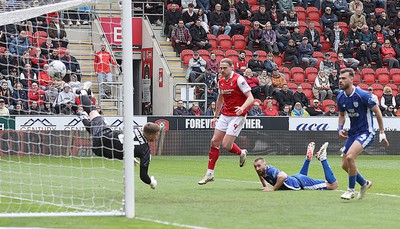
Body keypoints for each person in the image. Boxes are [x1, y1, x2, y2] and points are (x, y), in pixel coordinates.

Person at [77, 82, 160, 189]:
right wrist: (151, 182)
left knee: (95, 115)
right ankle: (82, 93)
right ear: (151, 135)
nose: (157, 137)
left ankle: (83, 106)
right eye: (156, 135)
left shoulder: (134, 128)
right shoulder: (145, 150)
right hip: (100, 150)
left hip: (104, 135)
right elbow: (143, 176)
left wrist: (130, 154)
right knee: (94, 113)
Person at [198, 58, 254, 185]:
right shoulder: (221, 81)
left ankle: (241, 152)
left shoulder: (239, 79)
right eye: (220, 68)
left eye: (225, 68)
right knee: (214, 141)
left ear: (231, 67)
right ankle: (209, 173)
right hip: (225, 114)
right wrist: (215, 117)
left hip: (238, 115)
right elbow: (220, 99)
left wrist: (242, 108)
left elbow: (251, 98)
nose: (222, 70)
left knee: (226, 145)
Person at [337, 68, 389, 200]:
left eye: (343, 78)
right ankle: (364, 183)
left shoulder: (363, 95)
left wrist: (382, 132)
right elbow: (342, 115)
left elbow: (377, 112)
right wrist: (340, 128)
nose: (340, 81)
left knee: (350, 158)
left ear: (351, 79)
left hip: (367, 132)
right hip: (353, 132)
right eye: (339, 78)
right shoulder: (340, 97)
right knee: (344, 165)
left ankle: (350, 190)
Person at [253, 142, 338, 191]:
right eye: (255, 167)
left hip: (302, 183)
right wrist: (265, 185)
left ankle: (322, 158)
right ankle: (307, 159)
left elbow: (282, 177)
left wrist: (272, 189)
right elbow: (261, 175)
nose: (257, 168)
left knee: (333, 185)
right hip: (296, 178)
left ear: (265, 164)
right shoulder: (262, 171)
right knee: (302, 177)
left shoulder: (270, 170)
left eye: (259, 166)